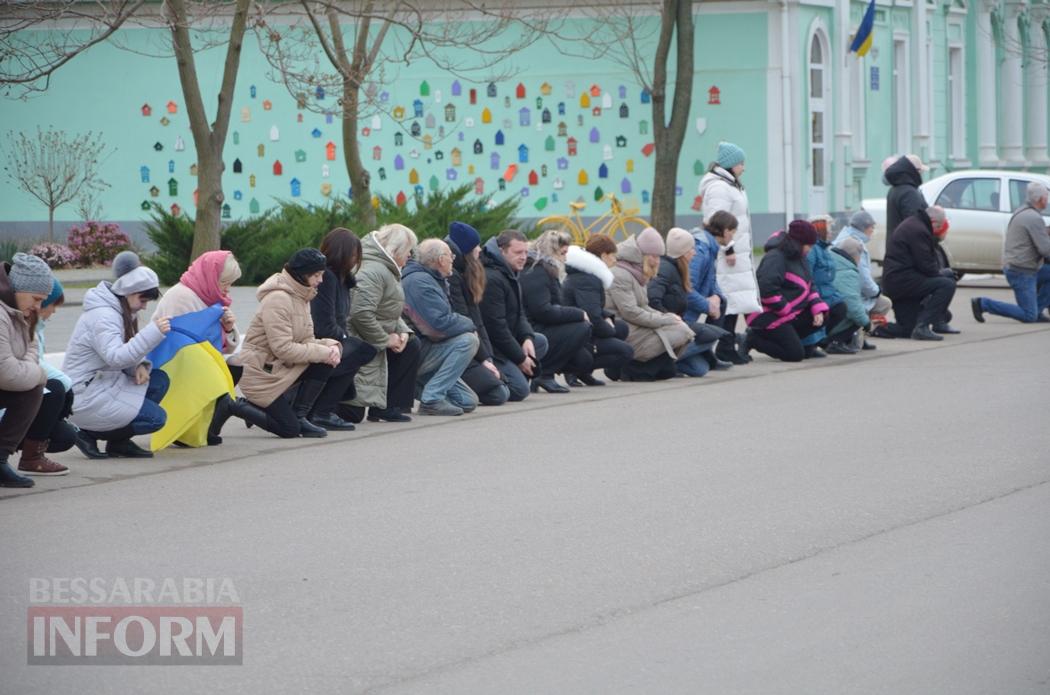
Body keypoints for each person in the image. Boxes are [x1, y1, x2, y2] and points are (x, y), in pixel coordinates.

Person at [64, 252, 171, 458]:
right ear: (129, 291)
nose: (145, 305)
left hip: (104, 383)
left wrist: (137, 366)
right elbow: (115, 357)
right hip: (85, 394)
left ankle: (118, 443)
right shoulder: (104, 316)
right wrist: (153, 332)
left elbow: (116, 356)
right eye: (143, 298)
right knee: (155, 419)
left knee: (159, 380)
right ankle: (86, 432)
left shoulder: (118, 311)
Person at [229, 249, 344, 438]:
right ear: (302, 274)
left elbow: (307, 341)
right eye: (316, 275)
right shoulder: (278, 299)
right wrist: (323, 352)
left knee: (327, 357)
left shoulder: (302, 296)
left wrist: (332, 346)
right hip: (261, 372)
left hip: (280, 368)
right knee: (288, 430)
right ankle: (235, 405)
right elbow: (283, 349)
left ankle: (300, 416)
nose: (321, 280)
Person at [152, 250, 242, 444]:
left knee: (234, 365)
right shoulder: (181, 296)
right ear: (211, 277)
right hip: (173, 365)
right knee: (217, 372)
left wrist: (227, 328)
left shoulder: (211, 295)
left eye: (230, 283)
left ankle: (206, 426)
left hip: (196, 362)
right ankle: (185, 427)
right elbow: (177, 344)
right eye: (225, 282)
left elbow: (223, 348)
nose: (228, 289)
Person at [347, 224, 422, 423]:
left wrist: (403, 332)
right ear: (395, 250)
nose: (410, 256)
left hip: (374, 332)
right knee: (351, 415)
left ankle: (389, 406)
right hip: (359, 338)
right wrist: (384, 339)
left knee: (411, 343)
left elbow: (388, 308)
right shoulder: (374, 271)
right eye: (408, 251)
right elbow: (360, 313)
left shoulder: (386, 269)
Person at [308, 228, 379, 430]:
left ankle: (311, 406)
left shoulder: (343, 280)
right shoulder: (327, 278)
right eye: (354, 255)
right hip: (322, 341)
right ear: (341, 253)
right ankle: (320, 412)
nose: (356, 261)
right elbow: (323, 324)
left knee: (353, 414)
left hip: (334, 339)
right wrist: (346, 339)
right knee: (363, 350)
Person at [0, 254, 61, 487]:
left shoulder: (21, 311)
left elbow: (32, 346)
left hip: (12, 376)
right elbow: (6, 372)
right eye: (36, 299)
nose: (38, 307)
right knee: (38, 384)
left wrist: (29, 368)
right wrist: (37, 372)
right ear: (18, 288)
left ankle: (0, 460)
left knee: (34, 389)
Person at [699, 141, 761, 364]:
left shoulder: (730, 184)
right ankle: (718, 347)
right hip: (728, 253)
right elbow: (717, 220)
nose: (743, 167)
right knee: (725, 300)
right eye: (741, 163)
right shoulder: (719, 188)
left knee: (734, 301)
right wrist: (728, 248)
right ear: (731, 164)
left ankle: (726, 345)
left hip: (737, 250)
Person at [402, 239, 480, 415]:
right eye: (450, 256)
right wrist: (469, 324)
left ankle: (419, 386)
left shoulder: (431, 278)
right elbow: (437, 327)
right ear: (440, 259)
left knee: (468, 402)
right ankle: (432, 399)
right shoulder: (419, 281)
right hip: (417, 350)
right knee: (468, 341)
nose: (453, 259)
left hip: (426, 348)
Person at [605, 228, 695, 381]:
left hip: (635, 323)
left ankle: (638, 366)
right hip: (624, 326)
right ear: (643, 254)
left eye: (659, 256)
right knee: (682, 332)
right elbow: (630, 312)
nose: (657, 261)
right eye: (654, 256)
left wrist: (667, 316)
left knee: (670, 367)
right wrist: (665, 320)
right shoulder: (621, 273)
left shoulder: (636, 271)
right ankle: (628, 366)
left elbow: (644, 305)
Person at [738, 221, 830, 363]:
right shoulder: (776, 257)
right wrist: (784, 308)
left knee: (824, 314)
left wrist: (817, 309)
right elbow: (765, 288)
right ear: (799, 243)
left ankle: (791, 342)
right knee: (795, 355)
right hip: (767, 314)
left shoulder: (800, 257)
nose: (810, 250)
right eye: (809, 246)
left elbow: (810, 286)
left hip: (788, 313)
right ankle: (752, 339)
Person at [647, 227, 730, 376]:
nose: (695, 252)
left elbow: (709, 280)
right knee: (711, 336)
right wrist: (669, 318)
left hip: (678, 324)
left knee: (700, 369)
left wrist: (716, 296)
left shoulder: (681, 269)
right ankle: (664, 360)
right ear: (683, 253)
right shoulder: (666, 270)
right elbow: (652, 298)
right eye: (691, 249)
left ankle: (672, 361)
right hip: (669, 326)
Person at [444, 221, 510, 406]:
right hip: (459, 348)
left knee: (511, 388)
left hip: (475, 348)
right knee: (499, 393)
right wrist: (484, 360)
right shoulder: (453, 277)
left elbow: (477, 320)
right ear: (466, 250)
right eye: (475, 246)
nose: (480, 250)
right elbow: (466, 321)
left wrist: (488, 358)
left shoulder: (466, 272)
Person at [480, 229, 549, 401]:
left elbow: (520, 313)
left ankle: (513, 370)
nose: (524, 257)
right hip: (492, 347)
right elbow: (496, 328)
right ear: (501, 251)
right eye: (518, 252)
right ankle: (493, 376)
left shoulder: (509, 273)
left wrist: (526, 337)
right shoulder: (493, 278)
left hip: (506, 339)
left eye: (526, 252)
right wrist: (520, 358)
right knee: (520, 391)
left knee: (538, 341)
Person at [520, 229, 592, 393]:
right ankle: (545, 373)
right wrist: (578, 313)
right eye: (563, 253)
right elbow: (543, 311)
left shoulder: (542, 268)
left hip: (536, 326)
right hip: (533, 329)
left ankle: (547, 372)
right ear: (552, 252)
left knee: (584, 359)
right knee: (583, 327)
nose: (565, 258)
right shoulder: (537, 272)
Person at [972, 181, 1050, 324]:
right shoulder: (1033, 217)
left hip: (1023, 267)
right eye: (1047, 197)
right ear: (1041, 199)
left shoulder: (1024, 211)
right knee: (1028, 315)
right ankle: (983, 303)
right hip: (1022, 271)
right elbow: (1045, 250)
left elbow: (1034, 236)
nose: (1048, 200)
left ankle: (1037, 310)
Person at [562, 234, 634, 385]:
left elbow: (590, 306)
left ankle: (584, 371)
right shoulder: (588, 279)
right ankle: (575, 368)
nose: (615, 261)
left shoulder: (587, 274)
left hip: (579, 327)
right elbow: (592, 317)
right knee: (626, 352)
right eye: (613, 256)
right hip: (578, 333)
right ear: (604, 255)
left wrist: (607, 317)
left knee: (622, 327)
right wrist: (610, 330)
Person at [881, 205, 958, 340]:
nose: (938, 231)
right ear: (933, 222)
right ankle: (923, 326)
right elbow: (927, 266)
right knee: (947, 284)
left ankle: (879, 329)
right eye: (939, 227)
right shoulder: (919, 230)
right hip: (902, 283)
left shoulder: (915, 224)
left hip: (899, 283)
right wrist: (944, 273)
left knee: (907, 329)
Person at [833, 209, 897, 340]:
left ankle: (860, 335)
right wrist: (876, 291)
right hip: (851, 293)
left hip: (845, 292)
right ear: (864, 227)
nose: (873, 231)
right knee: (884, 303)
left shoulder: (845, 237)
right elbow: (863, 279)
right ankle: (861, 334)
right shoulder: (855, 244)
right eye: (871, 227)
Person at [805, 216, 853, 355]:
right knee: (833, 311)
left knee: (840, 308)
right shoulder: (814, 250)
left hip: (826, 292)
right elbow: (808, 275)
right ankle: (815, 343)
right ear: (820, 229)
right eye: (829, 228)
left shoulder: (823, 248)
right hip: (818, 293)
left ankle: (821, 341)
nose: (831, 232)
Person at [828, 237, 874, 350]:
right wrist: (867, 324)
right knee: (859, 316)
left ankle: (853, 341)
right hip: (831, 323)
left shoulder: (834, 263)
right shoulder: (848, 272)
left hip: (825, 316)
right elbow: (852, 307)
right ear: (855, 256)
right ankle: (836, 341)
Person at [884, 154, 928, 245]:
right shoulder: (909, 193)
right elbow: (915, 224)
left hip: (896, 245)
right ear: (914, 171)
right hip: (908, 248)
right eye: (920, 172)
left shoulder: (895, 189)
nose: (921, 175)